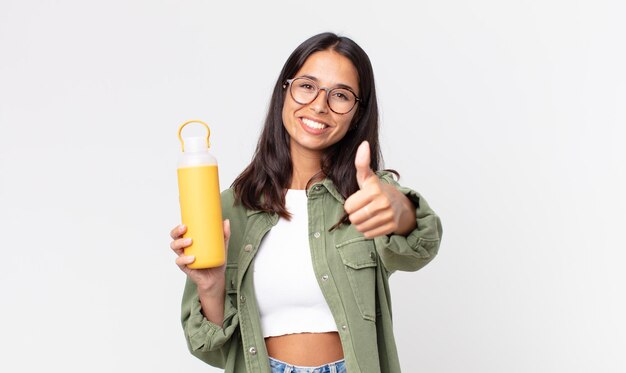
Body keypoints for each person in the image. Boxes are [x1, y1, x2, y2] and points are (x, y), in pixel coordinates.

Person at [169, 32, 443, 373]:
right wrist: (210, 287)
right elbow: (210, 348)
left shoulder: (368, 194)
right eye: (307, 86)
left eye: (340, 95)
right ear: (285, 92)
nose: (319, 105)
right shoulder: (231, 207)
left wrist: (399, 210)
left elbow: (421, 243)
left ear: (357, 113)